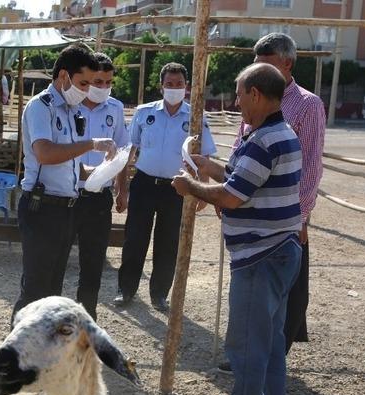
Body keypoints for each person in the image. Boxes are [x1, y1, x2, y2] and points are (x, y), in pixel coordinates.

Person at [172, 63, 303, 395]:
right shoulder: (279, 132)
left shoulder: (262, 139)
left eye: (240, 93)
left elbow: (232, 196)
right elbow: (243, 176)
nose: (236, 100)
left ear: (256, 95)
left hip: (261, 257)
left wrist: (191, 186)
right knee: (271, 342)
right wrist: (210, 167)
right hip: (281, 250)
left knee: (246, 346)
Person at [218, 33, 326, 374]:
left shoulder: (307, 105)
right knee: (250, 290)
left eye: (265, 66)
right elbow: (240, 149)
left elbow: (310, 166)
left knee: (287, 296)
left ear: (287, 64)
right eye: (255, 66)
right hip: (251, 212)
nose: (258, 73)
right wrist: (228, 189)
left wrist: (301, 216)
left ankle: (269, 360)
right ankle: (247, 355)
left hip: (284, 217)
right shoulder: (254, 96)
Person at [12, 44, 117, 321]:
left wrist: (99, 173)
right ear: (63, 77)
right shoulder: (40, 107)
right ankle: (14, 352)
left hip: (66, 209)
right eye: (82, 83)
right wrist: (90, 143)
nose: (86, 90)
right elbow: (45, 153)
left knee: (52, 290)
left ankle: (42, 350)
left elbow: (69, 165)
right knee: (35, 289)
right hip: (42, 207)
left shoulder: (72, 110)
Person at [112, 62, 217, 312]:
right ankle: (125, 290)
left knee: (168, 243)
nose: (174, 88)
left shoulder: (196, 117)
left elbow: (205, 156)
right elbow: (129, 151)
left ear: (187, 87)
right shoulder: (144, 113)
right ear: (161, 87)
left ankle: (159, 294)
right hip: (144, 183)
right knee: (135, 239)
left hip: (177, 187)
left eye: (178, 84)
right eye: (169, 84)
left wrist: (204, 189)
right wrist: (122, 188)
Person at [71, 52, 130, 321]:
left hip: (99, 196)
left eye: (108, 82)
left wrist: (122, 188)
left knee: (93, 263)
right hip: (67, 193)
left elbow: (122, 152)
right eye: (98, 81)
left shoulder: (115, 108)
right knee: (56, 260)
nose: (103, 87)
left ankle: (87, 319)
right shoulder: (69, 105)